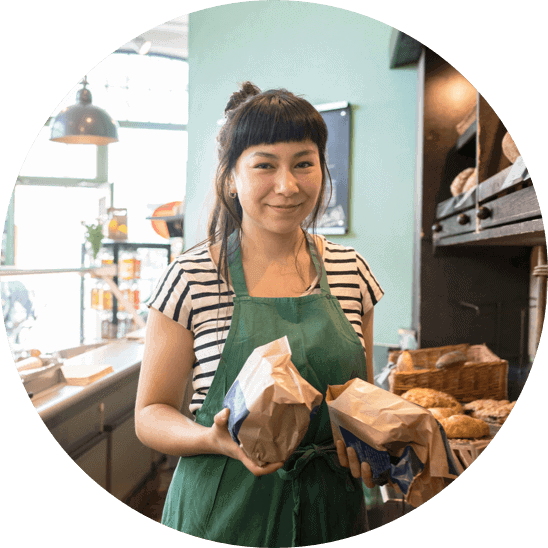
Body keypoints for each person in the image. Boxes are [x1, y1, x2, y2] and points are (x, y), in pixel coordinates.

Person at [135, 81, 384, 547]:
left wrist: (373, 442)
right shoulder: (191, 277)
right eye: (265, 165)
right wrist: (211, 439)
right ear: (231, 175)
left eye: (303, 164)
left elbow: (358, 400)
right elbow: (150, 414)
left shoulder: (352, 273)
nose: (287, 186)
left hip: (331, 512)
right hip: (222, 514)